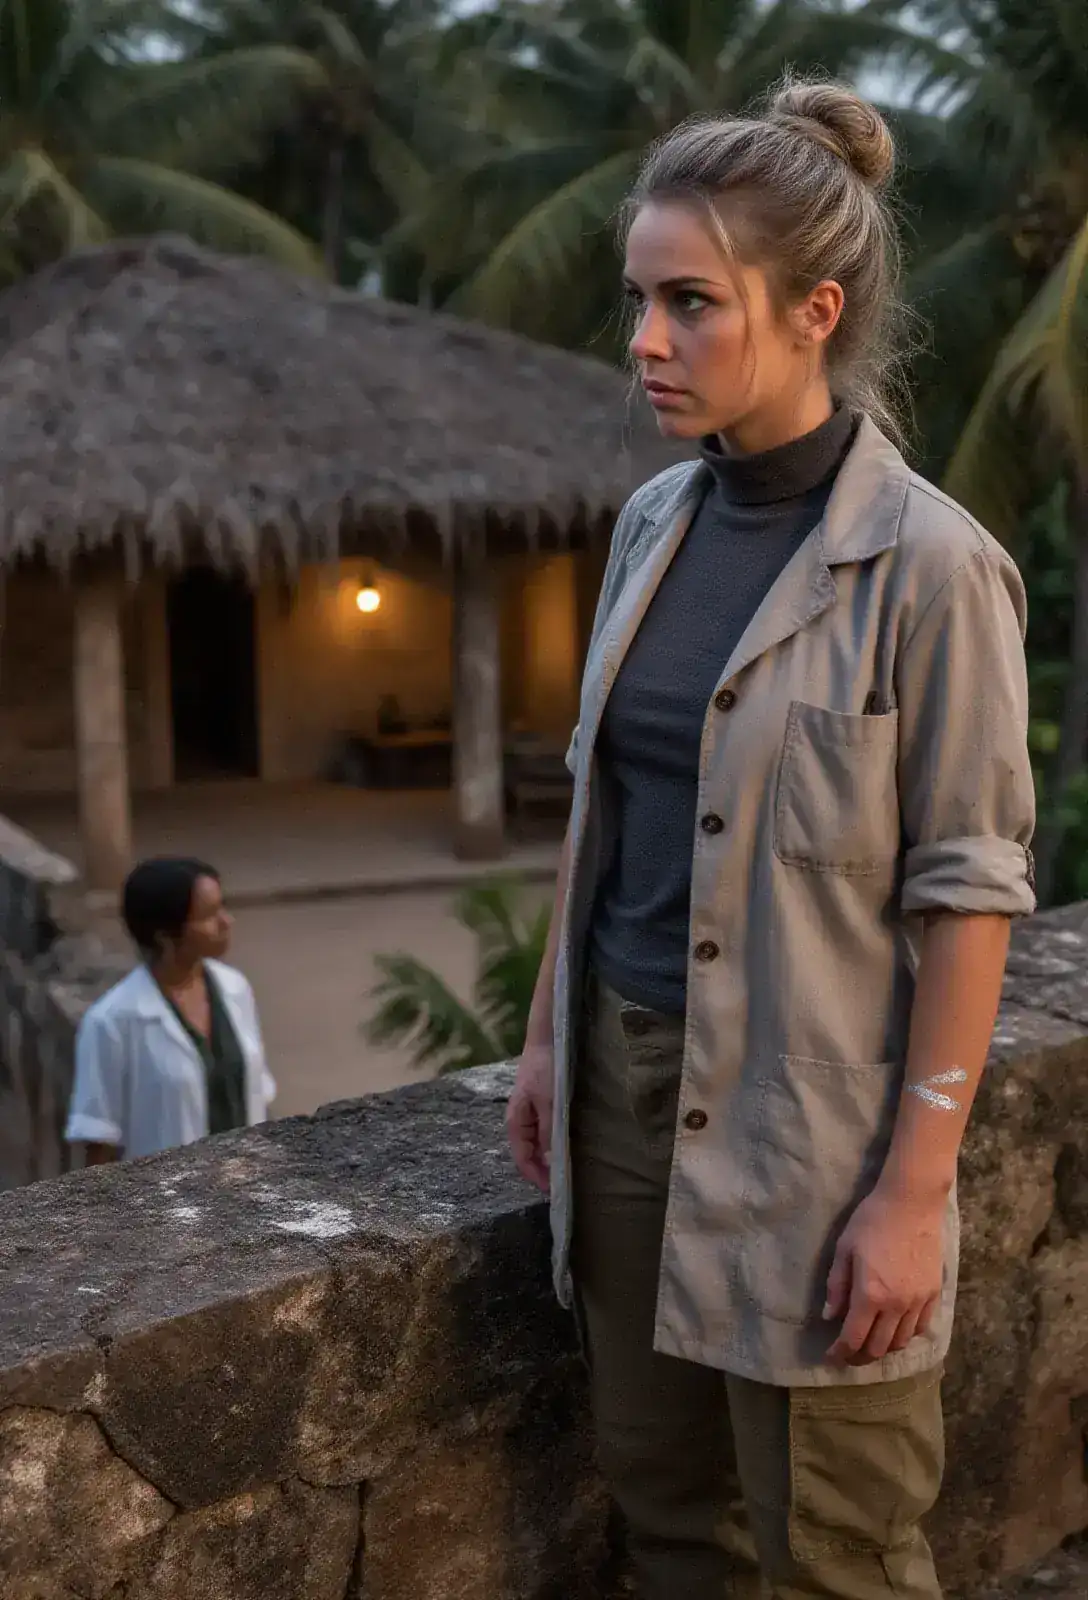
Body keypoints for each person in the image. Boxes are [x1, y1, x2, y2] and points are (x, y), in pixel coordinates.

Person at [506, 77, 1035, 1600]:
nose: (646, 343)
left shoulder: (933, 571)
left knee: (840, 1554)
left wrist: (913, 1193)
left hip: (812, 1134)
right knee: (671, 1520)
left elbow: (968, 893)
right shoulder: (653, 524)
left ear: (814, 309)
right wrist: (549, 1041)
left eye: (690, 302)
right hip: (620, 1090)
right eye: (638, 300)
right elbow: (600, 798)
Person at [66, 857, 276, 1164]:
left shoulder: (235, 988)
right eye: (208, 915)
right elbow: (100, 1141)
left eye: (222, 907)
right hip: (168, 1203)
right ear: (165, 936)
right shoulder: (112, 1021)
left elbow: (259, 1094)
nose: (226, 922)